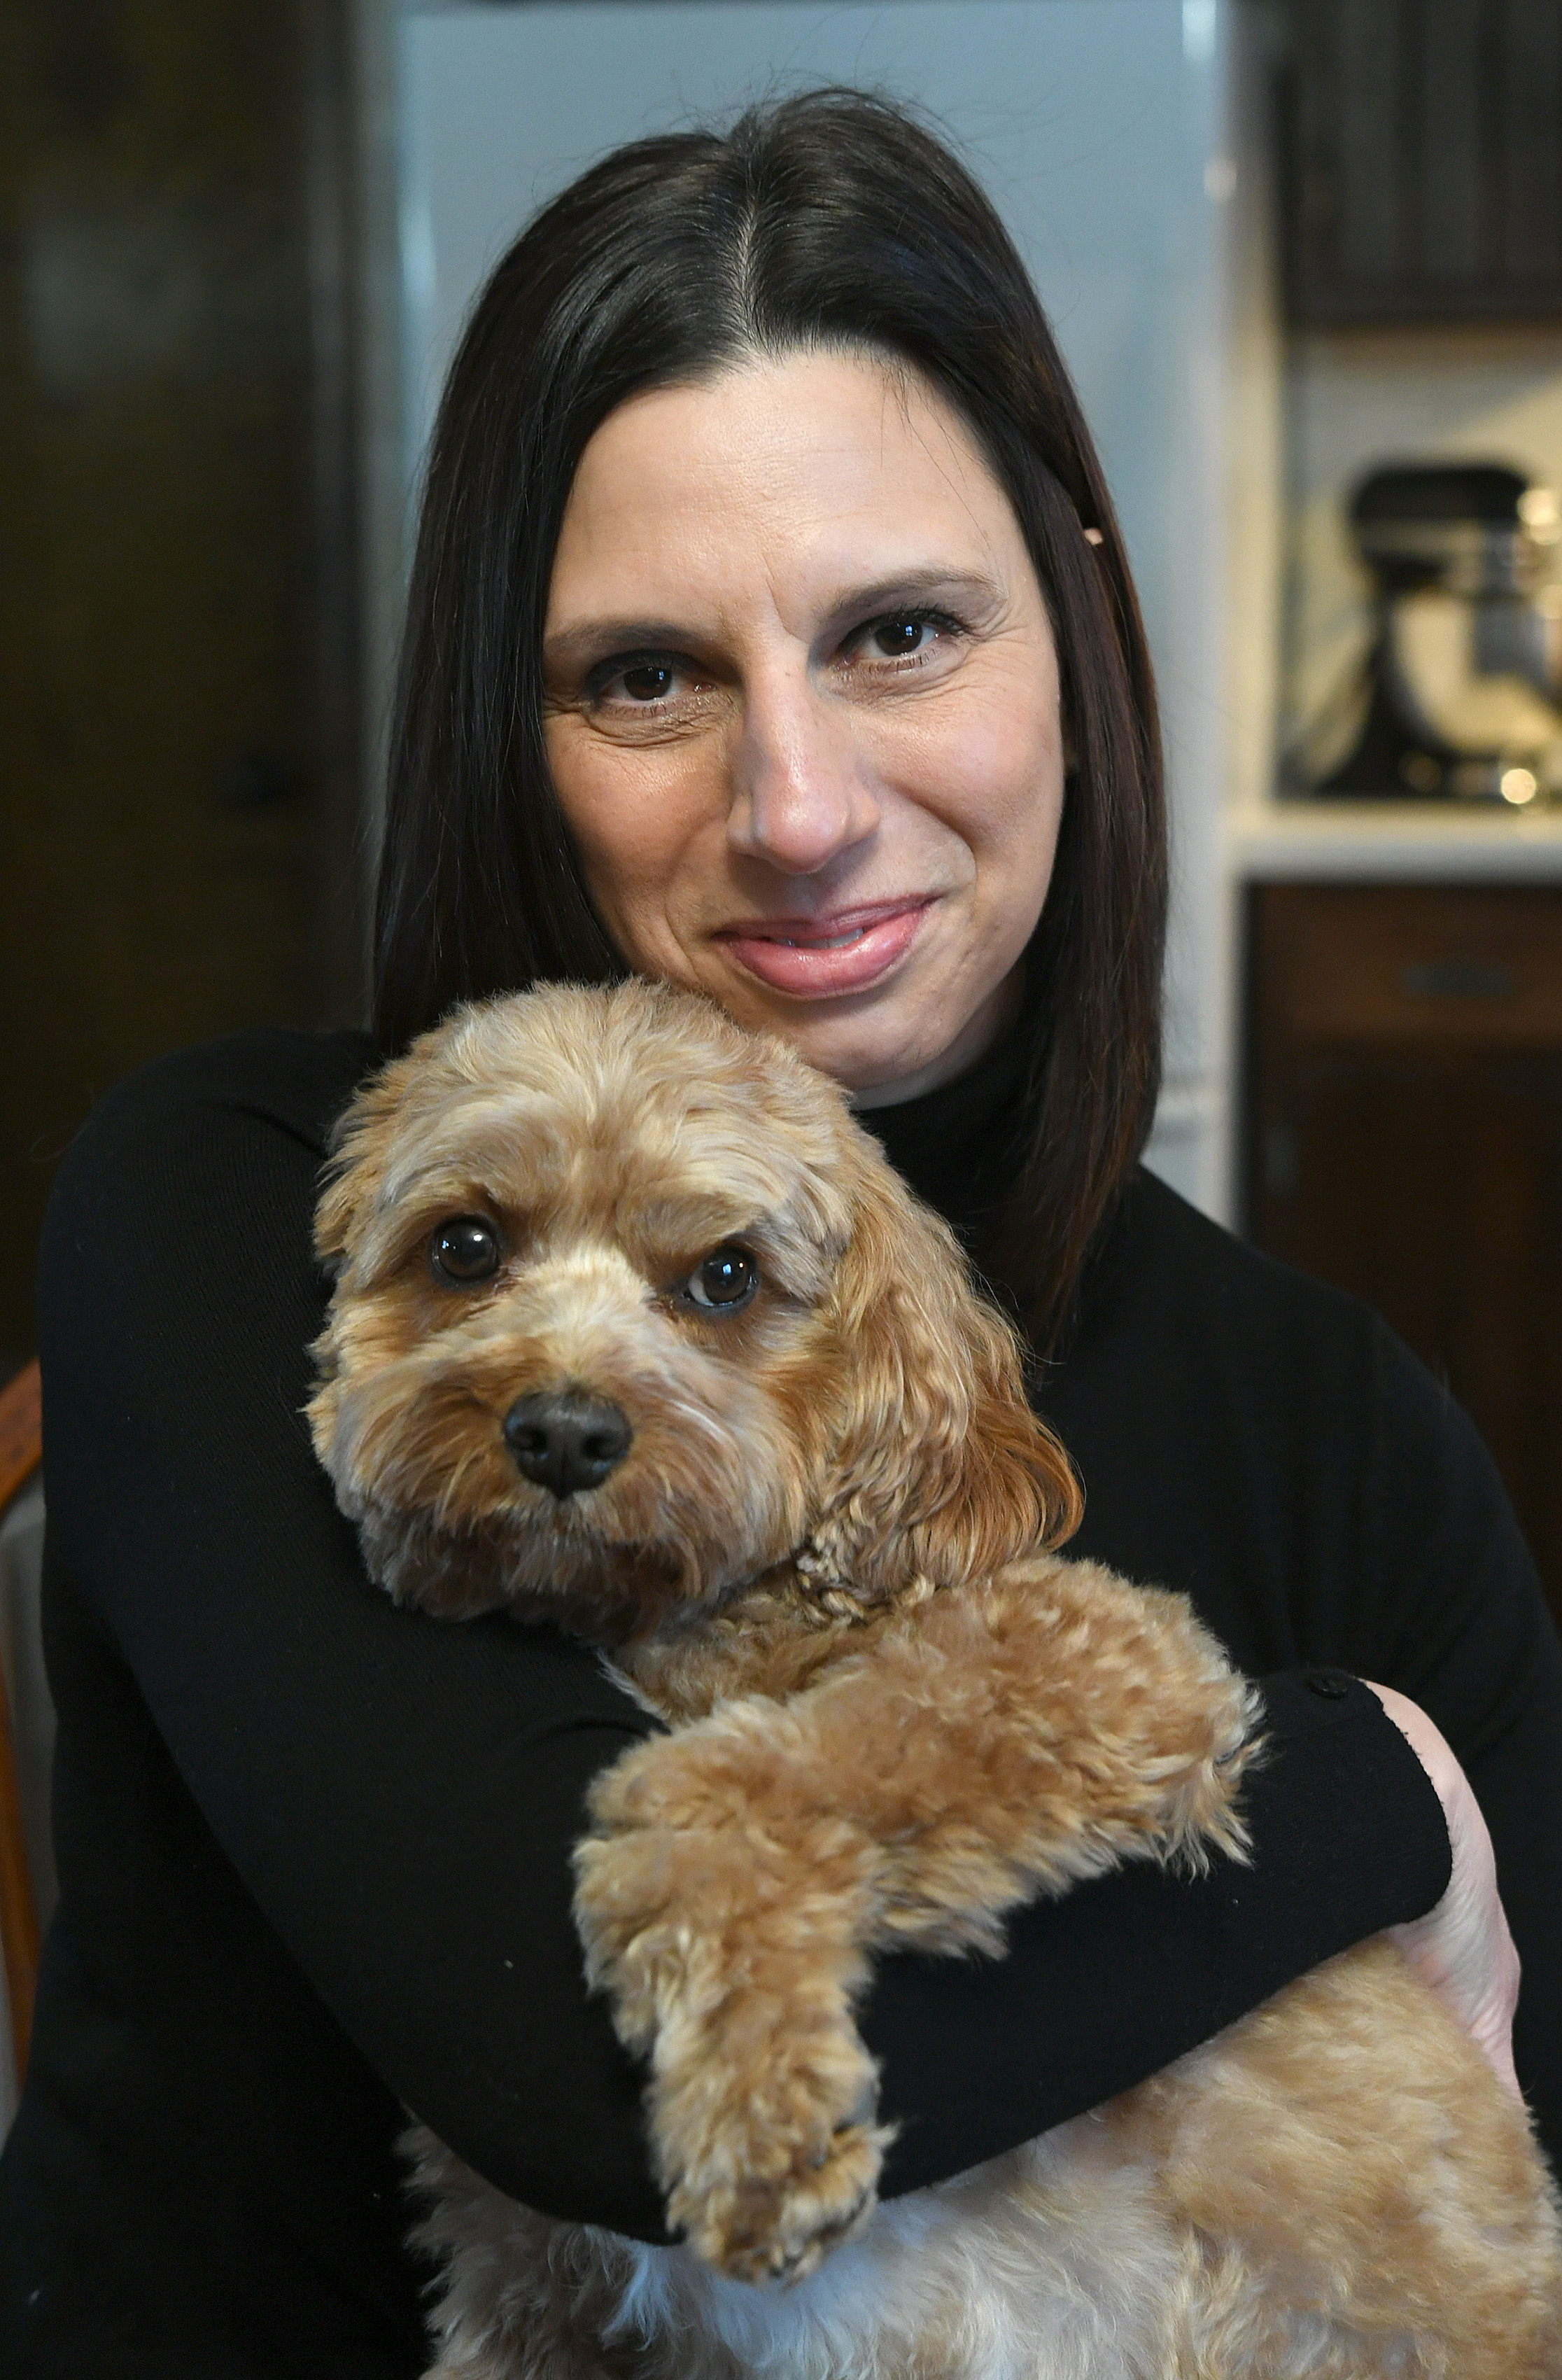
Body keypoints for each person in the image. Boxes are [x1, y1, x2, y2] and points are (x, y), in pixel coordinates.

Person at [3, 90, 1558, 2378]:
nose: (801, 809)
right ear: (507, 722)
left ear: (1075, 635)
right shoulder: (250, 1209)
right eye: (647, 676)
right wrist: (1371, 1794)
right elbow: (594, 2076)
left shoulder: (1334, 1425)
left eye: (904, 633)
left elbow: (1486, 2198)